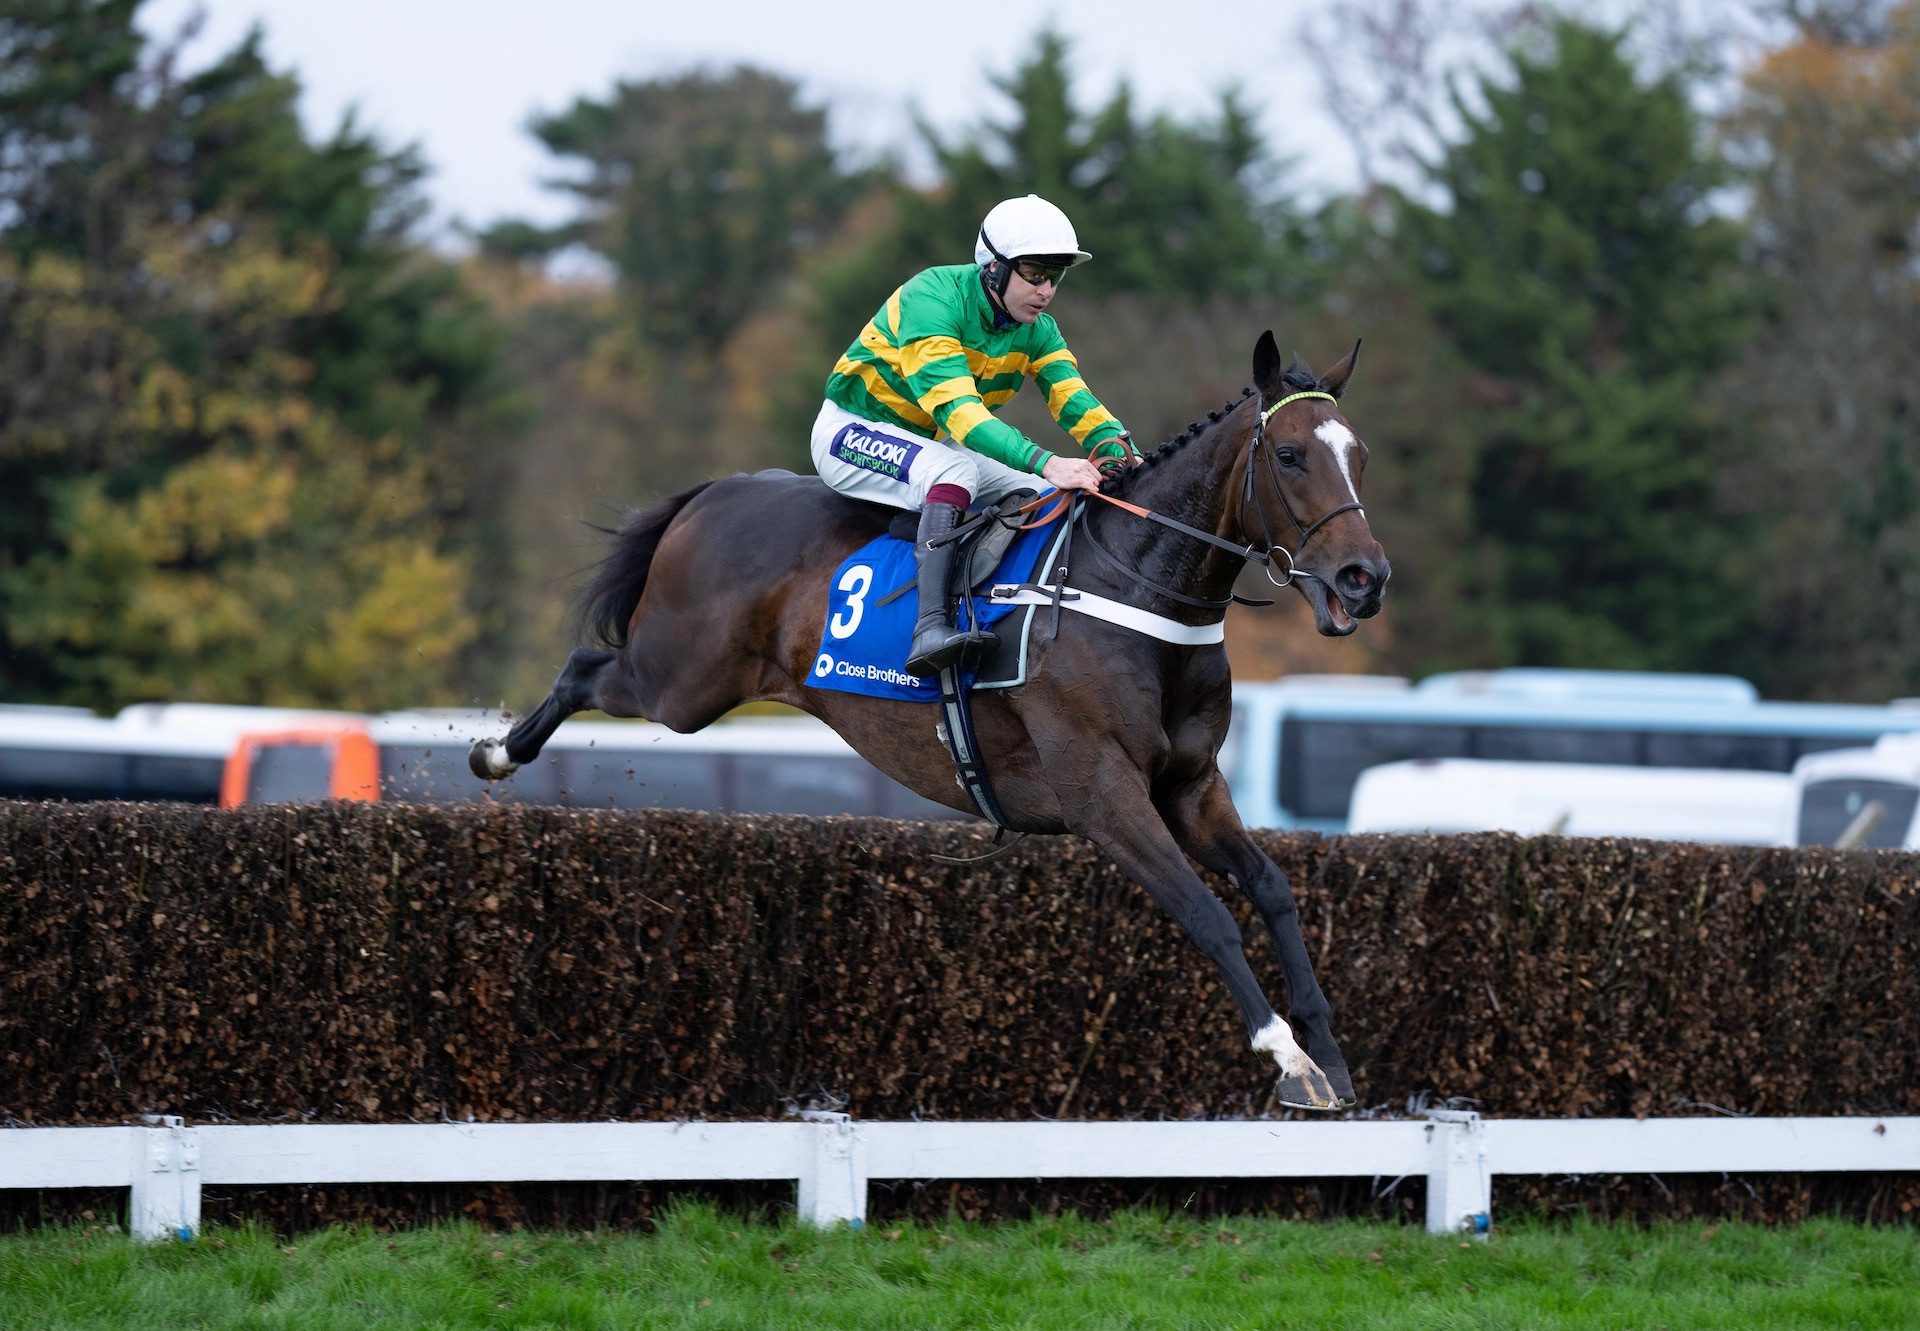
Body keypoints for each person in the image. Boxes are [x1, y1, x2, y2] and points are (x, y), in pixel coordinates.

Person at [811, 194, 1138, 677]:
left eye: (1055, 276)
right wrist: (1050, 460)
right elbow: (961, 414)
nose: (1046, 289)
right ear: (993, 268)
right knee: (960, 468)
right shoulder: (931, 298)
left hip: (931, 441)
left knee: (1044, 495)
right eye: (1034, 272)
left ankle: (997, 606)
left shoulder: (1037, 329)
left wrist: (1116, 444)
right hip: (851, 432)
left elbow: (1073, 399)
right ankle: (930, 628)